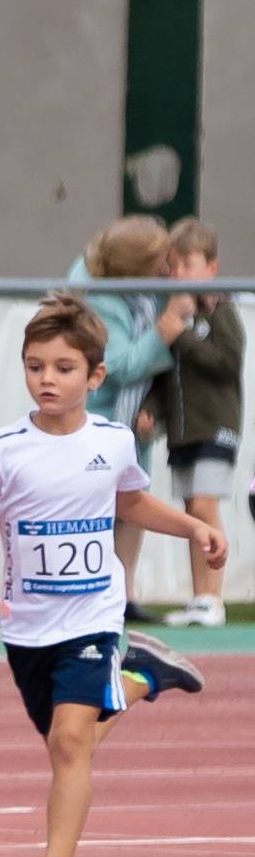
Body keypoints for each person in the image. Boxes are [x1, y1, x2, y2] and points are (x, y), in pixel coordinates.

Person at [0, 292, 221, 857]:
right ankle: (147, 674)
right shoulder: (3, 447)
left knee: (70, 742)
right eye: (36, 366)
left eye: (63, 368)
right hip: (27, 628)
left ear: (94, 376)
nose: (47, 379)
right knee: (73, 741)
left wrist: (192, 528)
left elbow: (131, 502)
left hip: (93, 616)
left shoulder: (113, 442)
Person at [69, 216, 195, 624]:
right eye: (159, 260)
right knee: (95, 510)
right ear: (136, 265)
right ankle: (89, 599)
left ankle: (123, 597)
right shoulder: (100, 297)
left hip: (132, 421)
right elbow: (120, 364)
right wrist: (167, 327)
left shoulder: (141, 292)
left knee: (131, 505)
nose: (166, 268)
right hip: (96, 418)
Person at [151, 220, 242, 628]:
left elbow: (227, 362)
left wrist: (182, 336)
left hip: (216, 428)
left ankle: (213, 597)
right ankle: (199, 596)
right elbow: (165, 374)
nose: (182, 274)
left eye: (191, 264)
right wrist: (153, 409)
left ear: (211, 267)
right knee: (191, 511)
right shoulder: (172, 312)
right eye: (176, 265)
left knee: (205, 505)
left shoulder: (220, 309)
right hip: (183, 431)